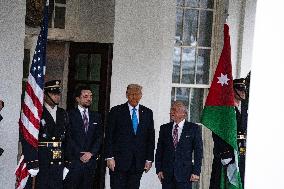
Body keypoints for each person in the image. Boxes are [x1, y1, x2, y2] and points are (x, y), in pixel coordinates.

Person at [22, 80, 72, 189]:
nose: (57, 97)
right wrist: (31, 161)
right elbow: (28, 137)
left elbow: (68, 139)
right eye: (54, 94)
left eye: (58, 94)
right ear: (45, 95)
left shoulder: (63, 113)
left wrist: (68, 162)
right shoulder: (37, 113)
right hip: (42, 159)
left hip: (58, 159)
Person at [105, 84, 155, 189]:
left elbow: (150, 138)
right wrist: (109, 157)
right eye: (132, 94)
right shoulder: (116, 111)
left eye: (137, 94)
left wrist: (149, 159)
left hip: (138, 162)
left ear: (141, 96)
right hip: (118, 162)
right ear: (126, 95)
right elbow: (109, 136)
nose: (134, 97)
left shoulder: (147, 113)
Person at [155, 101, 203, 189]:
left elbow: (198, 152)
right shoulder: (164, 128)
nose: (171, 112)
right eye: (171, 109)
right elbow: (159, 151)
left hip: (185, 175)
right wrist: (159, 169)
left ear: (184, 113)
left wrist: (196, 172)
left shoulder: (193, 128)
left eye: (174, 109)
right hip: (167, 175)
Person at [209, 78, 247, 189]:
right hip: (226, 153)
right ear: (232, 91)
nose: (243, 92)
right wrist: (225, 152)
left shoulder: (245, 108)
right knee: (222, 183)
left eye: (244, 90)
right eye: (240, 90)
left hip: (240, 152)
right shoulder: (225, 109)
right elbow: (218, 132)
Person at [64, 85, 103, 189]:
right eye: (85, 96)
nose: (89, 99)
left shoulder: (97, 116)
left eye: (90, 96)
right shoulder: (69, 115)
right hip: (74, 162)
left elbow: (99, 137)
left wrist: (91, 153)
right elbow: (68, 137)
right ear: (77, 99)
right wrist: (80, 154)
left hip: (90, 163)